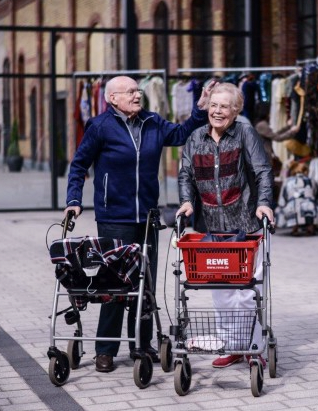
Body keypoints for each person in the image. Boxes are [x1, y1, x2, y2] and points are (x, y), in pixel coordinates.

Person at [64, 75, 210, 373]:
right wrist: (73, 200)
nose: (137, 95)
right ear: (112, 98)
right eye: (130, 91)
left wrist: (199, 111)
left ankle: (141, 345)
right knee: (116, 285)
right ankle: (105, 349)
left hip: (146, 218)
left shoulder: (153, 122)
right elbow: (79, 165)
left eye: (137, 90)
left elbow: (181, 134)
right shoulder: (99, 126)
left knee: (145, 284)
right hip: (113, 217)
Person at [176, 82, 274, 368]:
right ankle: (232, 346)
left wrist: (264, 202)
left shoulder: (245, 134)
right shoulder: (195, 138)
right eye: (214, 106)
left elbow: (262, 171)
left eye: (224, 107)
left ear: (235, 110)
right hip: (212, 228)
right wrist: (186, 201)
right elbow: (186, 175)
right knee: (220, 292)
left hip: (245, 225)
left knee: (247, 292)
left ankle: (253, 347)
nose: (217, 111)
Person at [252, 101, 299, 179]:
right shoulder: (262, 125)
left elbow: (274, 134)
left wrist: (287, 127)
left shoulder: (260, 124)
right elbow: (277, 137)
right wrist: (291, 131)